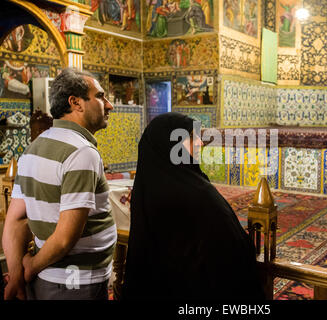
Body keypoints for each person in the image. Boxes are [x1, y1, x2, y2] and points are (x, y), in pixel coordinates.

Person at [122, 112, 265, 300]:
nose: (200, 143)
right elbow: (231, 249)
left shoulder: (147, 187)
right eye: (191, 137)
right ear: (170, 145)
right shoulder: (197, 193)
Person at [2, 68, 116, 300]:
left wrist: (16, 275)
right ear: (75, 103)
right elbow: (65, 239)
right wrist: (30, 266)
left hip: (49, 281)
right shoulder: (82, 152)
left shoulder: (35, 147)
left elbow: (15, 220)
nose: (109, 105)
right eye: (100, 96)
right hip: (77, 285)